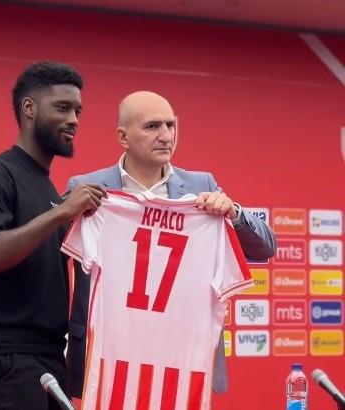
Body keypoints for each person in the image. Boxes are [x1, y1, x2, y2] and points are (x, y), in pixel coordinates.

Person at [64, 90, 277, 402]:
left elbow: (265, 247)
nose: (165, 136)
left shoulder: (201, 187)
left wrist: (233, 212)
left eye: (170, 125)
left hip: (180, 359)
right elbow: (50, 258)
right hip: (107, 360)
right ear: (123, 137)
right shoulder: (89, 190)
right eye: (152, 127)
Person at [0, 61, 106, 410]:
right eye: (62, 108)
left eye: (78, 111)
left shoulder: (47, 188)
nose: (74, 120)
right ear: (29, 108)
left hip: (47, 358)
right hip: (3, 362)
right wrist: (62, 213)